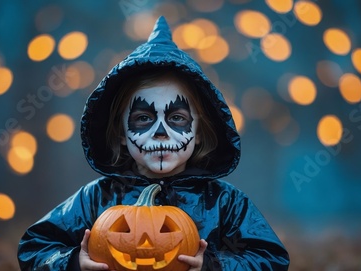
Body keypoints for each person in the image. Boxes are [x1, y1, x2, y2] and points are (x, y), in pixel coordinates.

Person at [17, 16, 290, 270]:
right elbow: (34, 248)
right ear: (122, 133)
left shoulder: (223, 202)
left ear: (199, 132)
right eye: (144, 118)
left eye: (177, 117)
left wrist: (213, 265)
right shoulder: (96, 198)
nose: (160, 132)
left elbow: (271, 258)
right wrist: (74, 261)